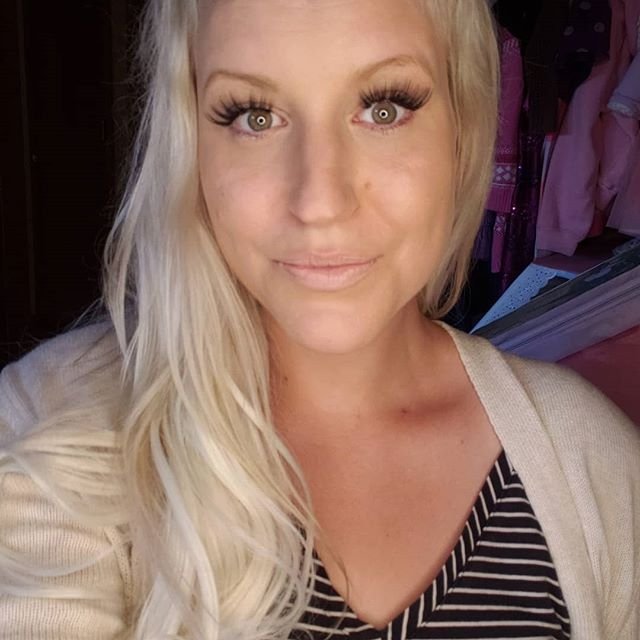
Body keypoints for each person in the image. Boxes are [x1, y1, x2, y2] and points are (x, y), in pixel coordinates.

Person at [1, 0, 638, 638]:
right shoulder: (49, 429)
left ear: (463, 129)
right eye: (254, 116)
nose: (320, 202)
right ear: (191, 145)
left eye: (384, 109)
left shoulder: (598, 464)